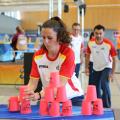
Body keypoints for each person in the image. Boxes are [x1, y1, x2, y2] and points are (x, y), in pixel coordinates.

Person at [25, 17, 84, 106]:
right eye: (43, 37)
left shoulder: (67, 53)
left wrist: (39, 95)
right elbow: (32, 83)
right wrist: (25, 95)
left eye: (50, 38)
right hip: (48, 97)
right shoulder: (37, 56)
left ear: (59, 37)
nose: (46, 41)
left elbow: (60, 85)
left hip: (72, 98)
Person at [85, 24, 117, 108]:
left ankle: (107, 105)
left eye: (100, 33)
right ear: (94, 33)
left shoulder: (108, 44)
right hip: (96, 67)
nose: (98, 35)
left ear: (103, 33)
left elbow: (115, 59)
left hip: (107, 66)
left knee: (104, 83)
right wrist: (86, 68)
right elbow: (87, 56)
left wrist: (112, 73)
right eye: (96, 33)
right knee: (96, 87)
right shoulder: (90, 43)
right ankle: (98, 104)